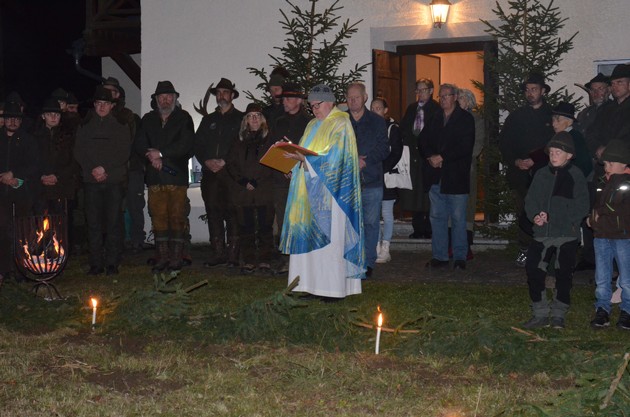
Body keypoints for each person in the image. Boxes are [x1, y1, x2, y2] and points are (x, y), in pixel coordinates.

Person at [280, 84, 365, 300]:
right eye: (311, 106)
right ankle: (310, 285)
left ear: (330, 102)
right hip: (308, 192)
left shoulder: (341, 123)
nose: (314, 110)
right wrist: (294, 165)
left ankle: (332, 289)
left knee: (331, 243)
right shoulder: (311, 125)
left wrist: (305, 159)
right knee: (311, 244)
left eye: (317, 105)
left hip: (332, 195)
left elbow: (337, 158)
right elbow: (304, 152)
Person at [522, 132, 589, 329]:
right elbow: (531, 200)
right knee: (534, 269)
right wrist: (536, 215)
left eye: (558, 152)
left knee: (563, 273)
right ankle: (540, 312)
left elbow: (582, 206)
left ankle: (559, 313)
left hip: (566, 234)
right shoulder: (541, 174)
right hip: (543, 233)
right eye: (551, 152)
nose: (553, 156)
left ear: (569, 155)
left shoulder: (576, 175)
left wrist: (557, 217)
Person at [136, 81, 195, 272]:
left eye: (169, 96)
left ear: (175, 98)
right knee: (158, 217)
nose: (165, 100)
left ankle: (176, 258)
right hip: (154, 178)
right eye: (161, 97)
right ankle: (162, 257)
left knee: (177, 217)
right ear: (156, 99)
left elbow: (186, 144)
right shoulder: (147, 119)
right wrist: (151, 156)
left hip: (176, 178)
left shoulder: (184, 118)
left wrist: (161, 155)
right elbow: (139, 143)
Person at [74, 86, 132, 275]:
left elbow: (124, 152)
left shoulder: (121, 125)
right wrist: (93, 169)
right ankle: (96, 263)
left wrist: (104, 168)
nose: (101, 107)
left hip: (113, 181)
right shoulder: (85, 125)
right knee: (93, 223)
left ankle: (112, 262)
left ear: (112, 105)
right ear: (94, 104)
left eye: (105, 103)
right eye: (98, 103)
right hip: (91, 181)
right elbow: (79, 151)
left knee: (113, 222)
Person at [499, 72, 555, 267]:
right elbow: (504, 143)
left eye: (534, 89)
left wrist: (535, 160)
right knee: (523, 212)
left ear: (543, 91)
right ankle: (524, 249)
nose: (530, 93)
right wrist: (515, 161)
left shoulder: (552, 115)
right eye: (527, 90)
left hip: (545, 174)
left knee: (545, 213)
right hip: (520, 175)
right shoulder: (516, 116)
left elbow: (555, 143)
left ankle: (545, 252)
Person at [420, 84, 475, 270]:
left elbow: (465, 146)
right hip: (436, 176)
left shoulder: (465, 119)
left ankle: (460, 256)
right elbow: (423, 140)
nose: (443, 99)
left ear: (455, 97)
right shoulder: (435, 117)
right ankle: (440, 256)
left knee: (458, 218)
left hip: (456, 176)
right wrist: (430, 157)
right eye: (440, 96)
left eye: (446, 96)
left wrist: (442, 157)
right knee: (437, 217)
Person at [194, 78, 244, 268]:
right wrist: (206, 161)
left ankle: (233, 255)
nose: (222, 95)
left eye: (226, 92)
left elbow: (242, 146)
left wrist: (225, 161)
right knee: (213, 213)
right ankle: (218, 254)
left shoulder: (241, 119)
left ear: (232, 95)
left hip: (231, 175)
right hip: (210, 176)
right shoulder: (208, 120)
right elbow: (197, 144)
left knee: (233, 214)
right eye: (219, 92)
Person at [266, 82, 312, 273]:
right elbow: (271, 148)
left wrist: (297, 168)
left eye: (289, 98)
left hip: (302, 179)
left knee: (302, 220)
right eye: (283, 98)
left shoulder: (309, 123)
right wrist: (282, 167)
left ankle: (303, 261)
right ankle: (286, 260)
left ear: (299, 101)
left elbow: (312, 150)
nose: (285, 101)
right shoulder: (278, 122)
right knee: (284, 220)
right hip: (281, 180)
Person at [346, 82, 389, 277]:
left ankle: (368, 262)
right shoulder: (341, 121)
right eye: (349, 97)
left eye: (356, 97)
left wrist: (365, 161)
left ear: (365, 98)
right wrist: (351, 159)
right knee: (349, 224)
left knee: (371, 224)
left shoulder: (377, 122)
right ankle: (351, 260)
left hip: (371, 180)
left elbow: (384, 148)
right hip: (347, 183)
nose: (353, 100)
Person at [226, 104, 276, 274]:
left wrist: (256, 181)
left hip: (264, 190)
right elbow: (231, 163)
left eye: (257, 115)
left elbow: (273, 162)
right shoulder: (238, 140)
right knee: (245, 227)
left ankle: (265, 259)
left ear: (262, 119)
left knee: (265, 227)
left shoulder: (270, 139)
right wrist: (243, 181)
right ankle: (248, 260)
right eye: (250, 115)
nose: (254, 119)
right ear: (245, 120)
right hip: (243, 191)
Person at [588, 140, 630, 330]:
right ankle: (602, 309)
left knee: (626, 277)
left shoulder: (626, 183)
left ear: (624, 164)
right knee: (602, 276)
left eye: (611, 163)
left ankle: (627, 310)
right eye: (605, 163)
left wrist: (599, 214)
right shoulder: (602, 182)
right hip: (601, 235)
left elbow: (619, 209)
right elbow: (597, 206)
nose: (607, 167)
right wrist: (592, 218)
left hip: (622, 237)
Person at [102, 76, 146, 254]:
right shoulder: (98, 117)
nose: (108, 95)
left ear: (118, 95)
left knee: (134, 205)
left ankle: (137, 241)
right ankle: (119, 241)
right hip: (110, 171)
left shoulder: (129, 116)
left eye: (111, 92)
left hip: (131, 168)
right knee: (113, 208)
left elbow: (133, 142)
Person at [0, 102, 39, 282]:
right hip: (1, 193)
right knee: (3, 231)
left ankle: (20, 269)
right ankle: (4, 270)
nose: (13, 122)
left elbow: (33, 165)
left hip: (22, 193)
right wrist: (3, 177)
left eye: (16, 118)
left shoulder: (28, 140)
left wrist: (16, 175)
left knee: (22, 232)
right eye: (10, 118)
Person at [399, 78, 440, 239]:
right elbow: (404, 129)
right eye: (418, 90)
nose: (420, 93)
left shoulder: (436, 109)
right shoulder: (412, 108)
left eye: (423, 90)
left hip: (428, 156)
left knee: (428, 193)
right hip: (413, 157)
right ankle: (417, 227)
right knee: (414, 193)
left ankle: (429, 227)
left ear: (431, 91)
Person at [33, 98, 79, 218]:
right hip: (40, 189)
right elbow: (30, 161)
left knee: (61, 223)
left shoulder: (69, 137)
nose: (53, 117)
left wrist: (57, 176)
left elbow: (74, 161)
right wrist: (41, 176)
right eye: (50, 114)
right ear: (43, 116)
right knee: (41, 223)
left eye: (56, 114)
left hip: (62, 188)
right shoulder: (34, 137)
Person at [370, 97, 402, 264]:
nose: (375, 111)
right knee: (373, 214)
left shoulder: (392, 128)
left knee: (387, 213)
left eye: (378, 108)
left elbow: (397, 152)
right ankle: (375, 245)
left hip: (386, 176)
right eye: (372, 108)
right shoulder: (368, 127)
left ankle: (386, 246)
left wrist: (382, 167)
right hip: (372, 176)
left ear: (385, 110)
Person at [457, 88, 484, 260]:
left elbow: (478, 143)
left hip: (468, 166)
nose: (457, 100)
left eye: (460, 98)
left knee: (467, 204)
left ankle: (466, 244)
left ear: (468, 101)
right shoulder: (451, 117)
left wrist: (463, 158)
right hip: (451, 167)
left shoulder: (476, 119)